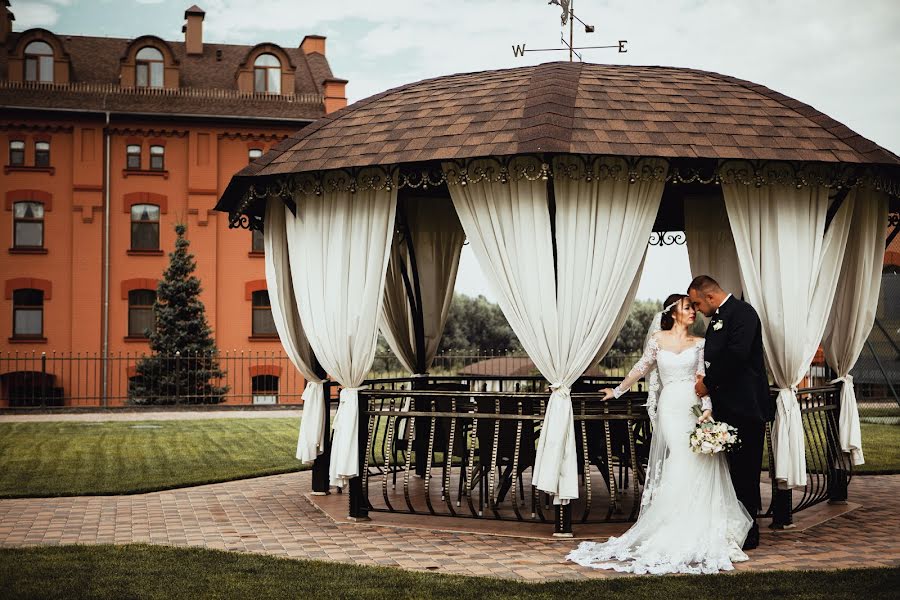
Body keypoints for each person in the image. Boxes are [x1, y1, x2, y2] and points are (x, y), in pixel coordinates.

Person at [567, 293, 752, 575]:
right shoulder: (658, 339)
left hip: (691, 405)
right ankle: (670, 523)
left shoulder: (700, 344)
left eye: (694, 308)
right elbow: (641, 368)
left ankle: (695, 524)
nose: (694, 312)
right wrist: (617, 390)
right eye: (688, 308)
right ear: (673, 311)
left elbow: (702, 380)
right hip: (669, 408)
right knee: (680, 457)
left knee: (697, 460)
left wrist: (707, 409)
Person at [688, 275, 772, 551]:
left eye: (698, 303)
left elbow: (737, 355)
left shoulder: (743, 314)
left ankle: (749, 532)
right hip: (728, 408)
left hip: (746, 408)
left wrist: (707, 383)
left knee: (746, 473)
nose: (697, 309)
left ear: (710, 297)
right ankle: (734, 527)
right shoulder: (719, 317)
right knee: (732, 473)